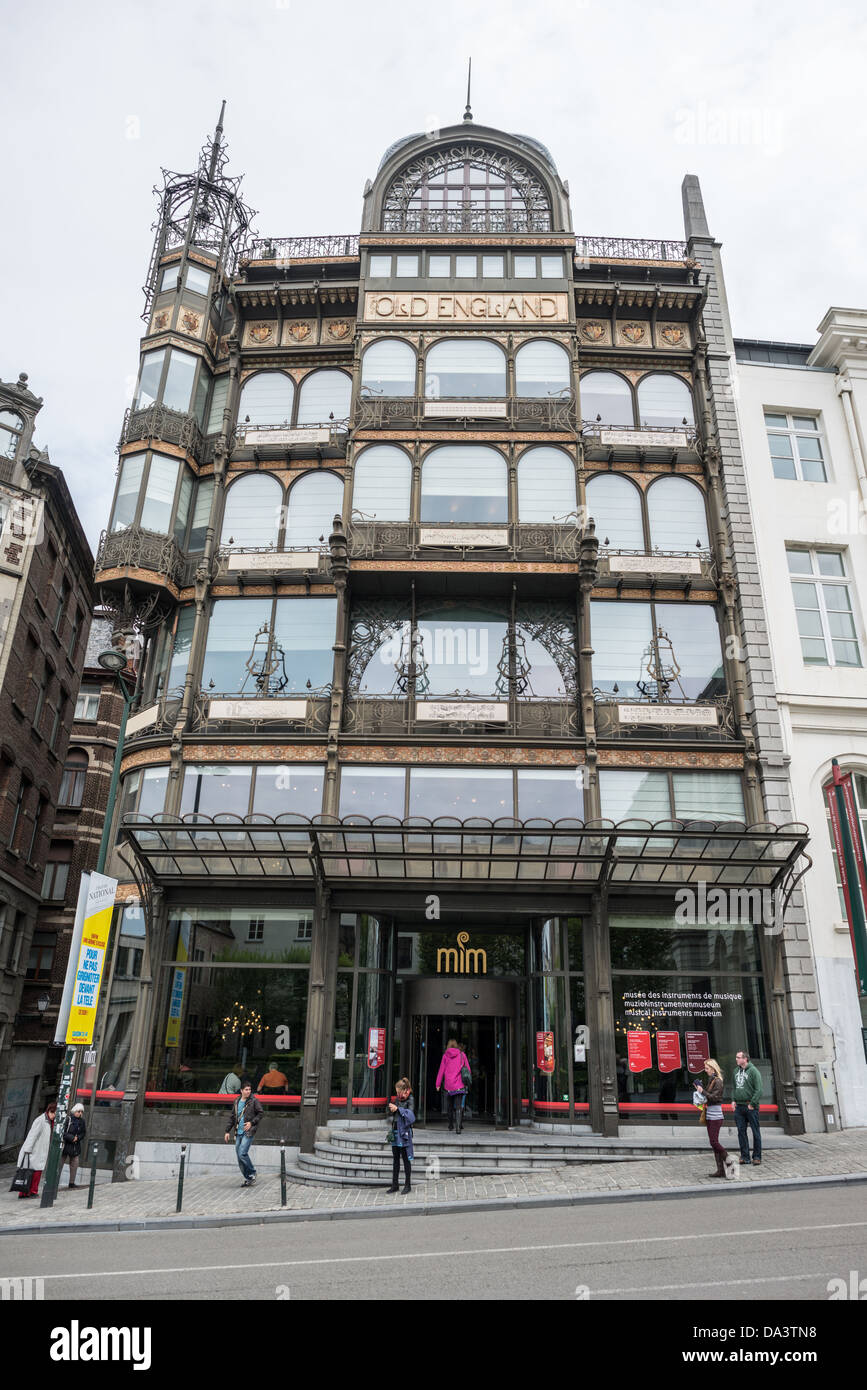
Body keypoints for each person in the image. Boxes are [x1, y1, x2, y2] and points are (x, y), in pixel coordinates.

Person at [224, 1081, 263, 1186]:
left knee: (242, 1153)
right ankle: (248, 1178)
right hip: (238, 1132)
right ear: (241, 1091)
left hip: (248, 1132)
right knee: (239, 1157)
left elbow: (260, 1113)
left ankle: (252, 1172)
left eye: (249, 1089)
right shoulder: (236, 1101)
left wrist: (251, 1123)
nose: (248, 1091)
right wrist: (227, 1131)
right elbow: (232, 1117)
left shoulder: (254, 1101)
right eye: (246, 1089)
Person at [694, 1058, 728, 1178]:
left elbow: (714, 1097)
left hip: (716, 1116)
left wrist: (702, 1091)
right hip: (710, 1114)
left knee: (714, 1141)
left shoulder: (718, 1081)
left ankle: (729, 1161)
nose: (706, 1070)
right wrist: (700, 1091)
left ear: (713, 1068)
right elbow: (709, 1096)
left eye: (707, 1068)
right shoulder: (711, 1080)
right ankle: (720, 1170)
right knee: (713, 1143)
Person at [16, 1101, 57, 1199]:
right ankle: (29, 1192)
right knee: (31, 1172)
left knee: (35, 1171)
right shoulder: (41, 1120)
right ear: (50, 1111)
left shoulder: (48, 1121)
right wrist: (28, 1149)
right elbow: (32, 1135)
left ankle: (29, 1192)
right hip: (34, 1151)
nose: (54, 1115)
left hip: (39, 1151)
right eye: (54, 1113)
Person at [733, 1049, 763, 1165]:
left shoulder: (754, 1071)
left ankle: (757, 1157)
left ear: (745, 1059)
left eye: (738, 1057)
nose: (736, 1059)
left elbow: (759, 1090)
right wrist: (733, 1100)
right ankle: (745, 1157)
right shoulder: (736, 1071)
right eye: (736, 1057)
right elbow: (735, 1087)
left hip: (750, 1107)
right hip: (739, 1107)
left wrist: (752, 1103)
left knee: (755, 1132)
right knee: (741, 1132)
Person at [386, 1078, 415, 1195]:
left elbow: (411, 1116)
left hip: (404, 1133)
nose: (397, 1094)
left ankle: (408, 1185)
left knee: (406, 1159)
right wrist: (391, 1110)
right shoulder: (397, 1099)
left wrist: (398, 1109)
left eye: (399, 1092)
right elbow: (393, 1115)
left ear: (405, 1090)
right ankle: (395, 1184)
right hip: (395, 1130)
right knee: (395, 1159)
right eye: (397, 1092)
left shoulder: (411, 1099)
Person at [435, 1038, 471, 1134]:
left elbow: (441, 1070)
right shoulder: (462, 1055)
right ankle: (458, 1128)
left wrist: (438, 1084)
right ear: (456, 1045)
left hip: (448, 1085)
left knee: (450, 1106)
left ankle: (450, 1124)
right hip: (459, 1085)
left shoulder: (445, 1056)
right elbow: (468, 1070)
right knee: (459, 1106)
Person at [61, 1103, 87, 1190]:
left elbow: (83, 1133)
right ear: (75, 1111)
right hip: (66, 1144)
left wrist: (78, 1138)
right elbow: (63, 1132)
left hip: (75, 1146)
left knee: (75, 1164)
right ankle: (55, 1180)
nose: (80, 1113)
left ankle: (71, 1183)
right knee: (60, 1163)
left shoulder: (82, 1121)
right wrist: (72, 1138)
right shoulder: (68, 1119)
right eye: (79, 1111)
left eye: (81, 1112)